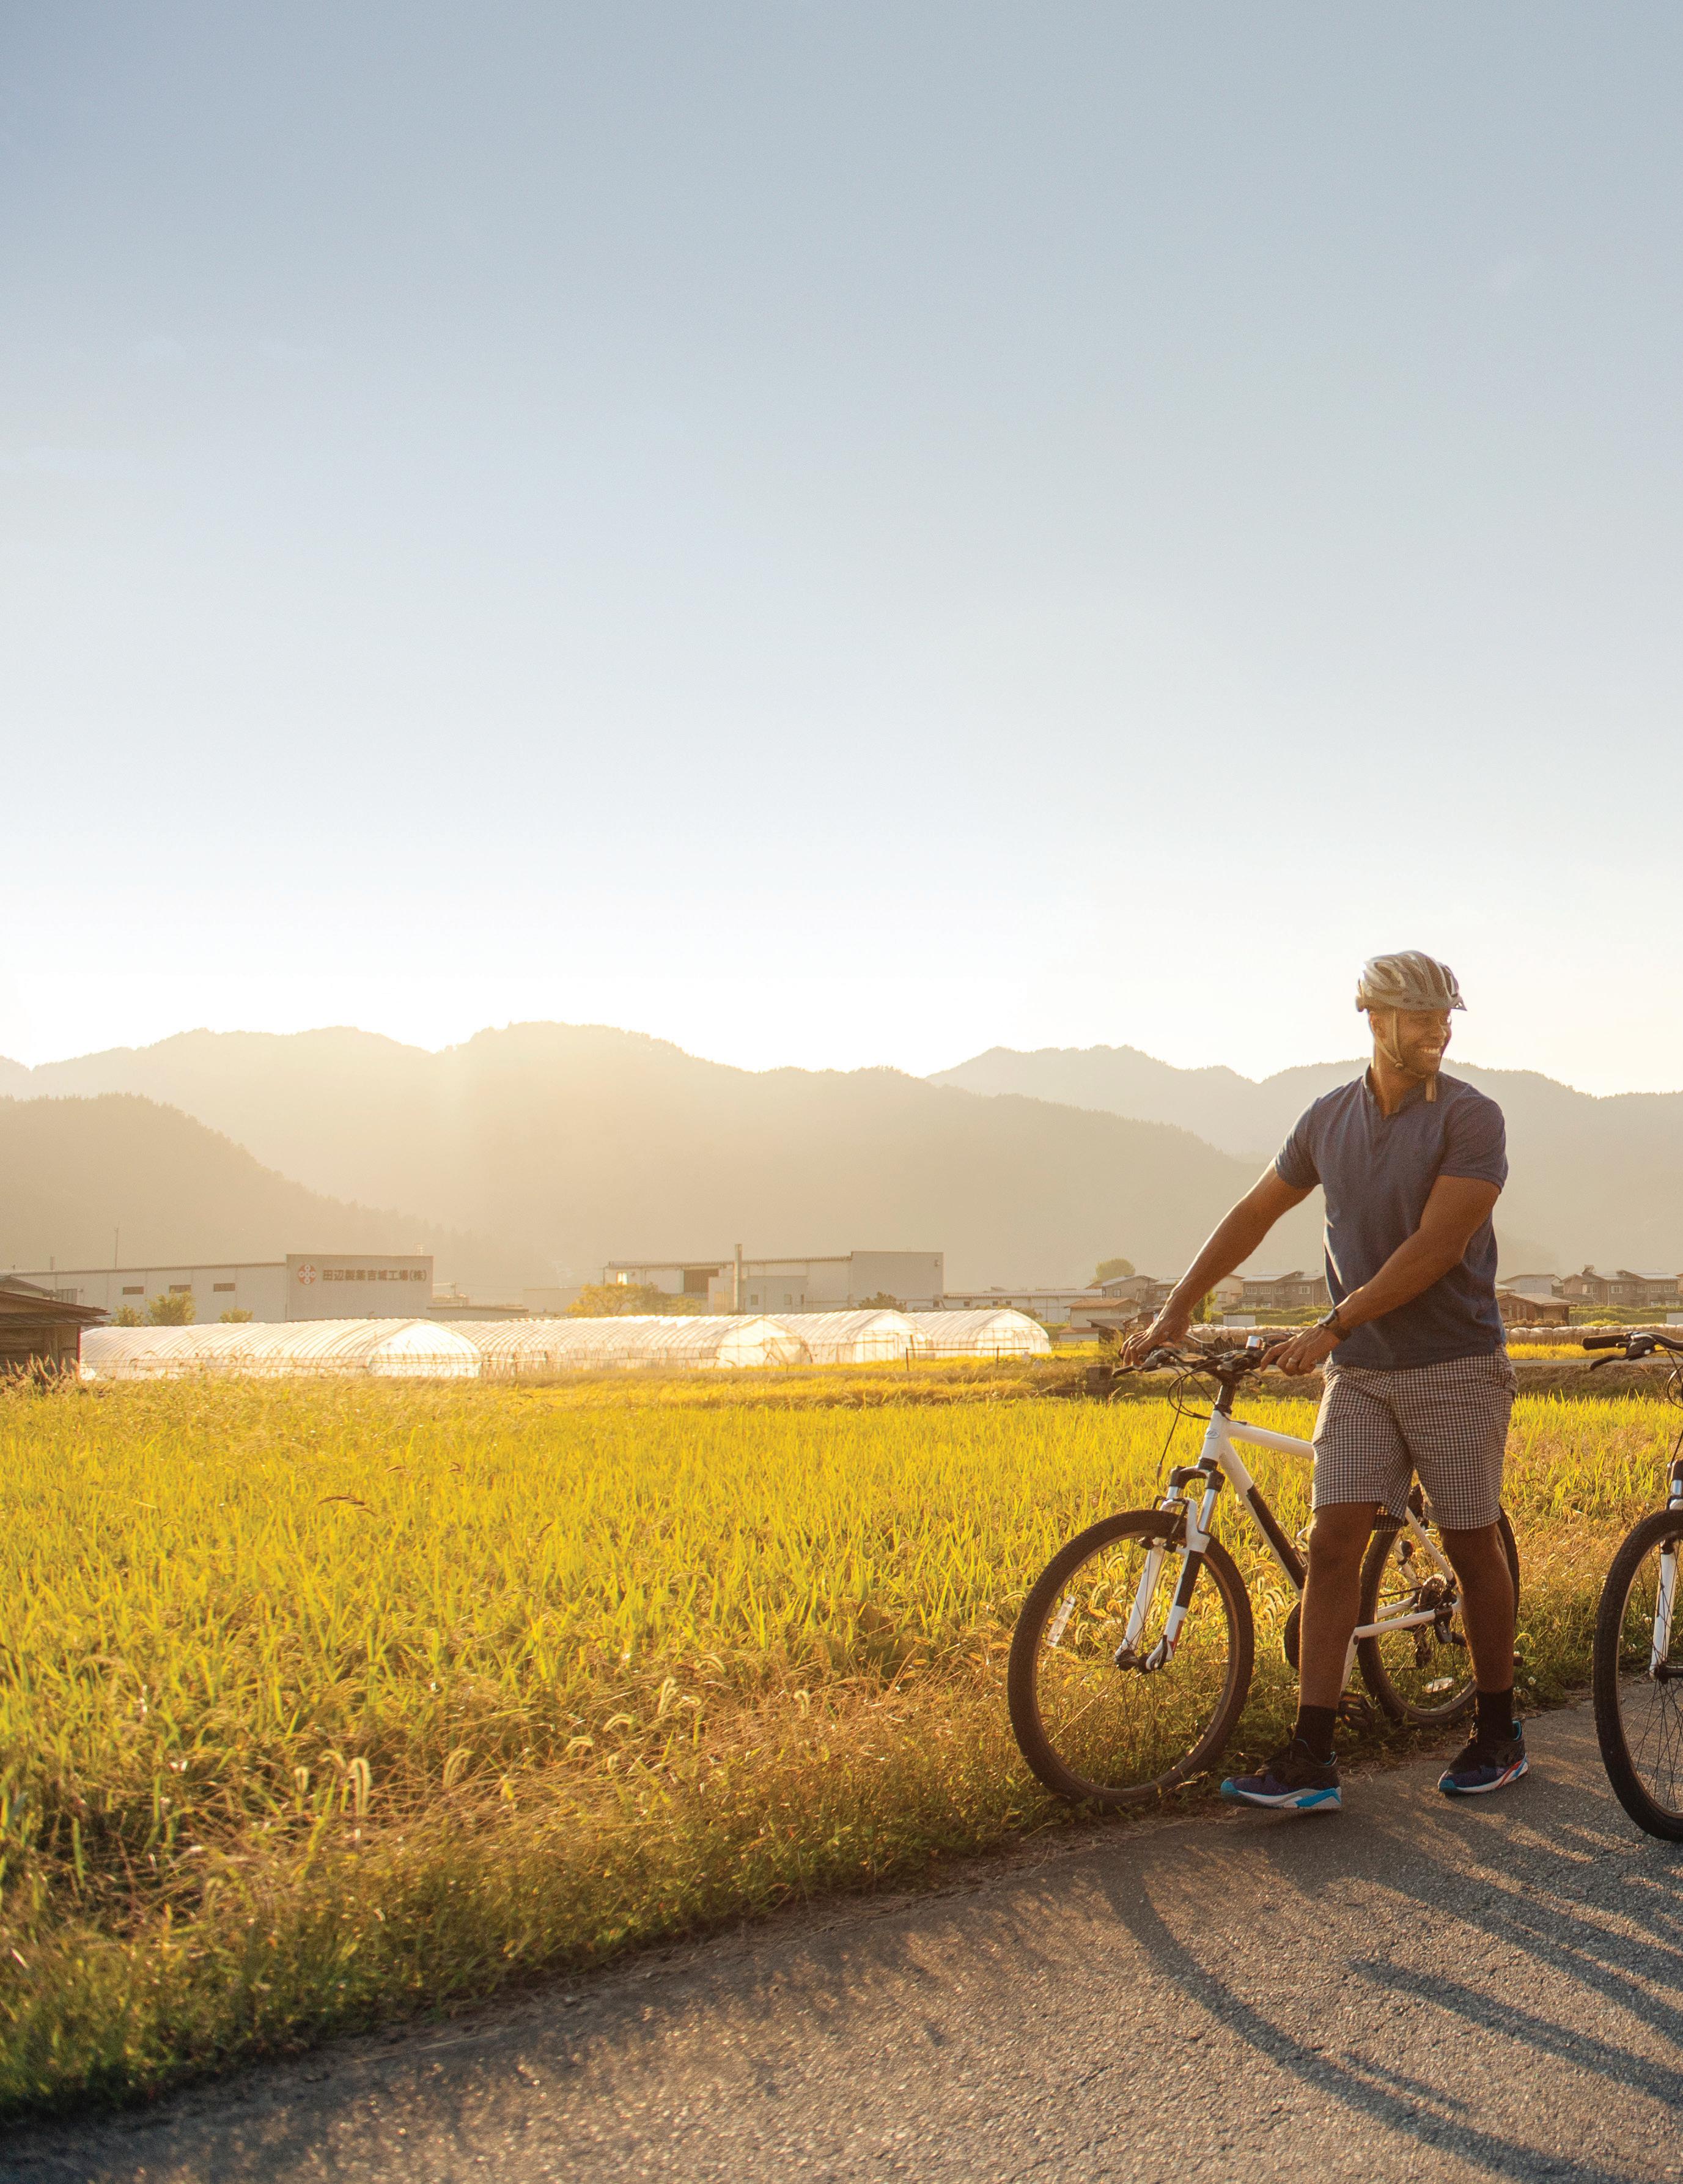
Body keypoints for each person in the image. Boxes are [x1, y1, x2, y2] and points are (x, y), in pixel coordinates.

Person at [1123, 950, 1522, 1811]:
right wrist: (1176, 1309)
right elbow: (1254, 1213)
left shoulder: (1471, 1117)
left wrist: (1332, 1325)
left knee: (1469, 1541)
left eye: (1444, 1017)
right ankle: (1312, 1757)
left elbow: (1438, 1246)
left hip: (1453, 1362)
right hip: (1363, 1372)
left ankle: (1498, 1729)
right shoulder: (1327, 1119)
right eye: (1419, 1017)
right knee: (1332, 1545)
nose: (1437, 1031)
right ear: (1374, 1019)